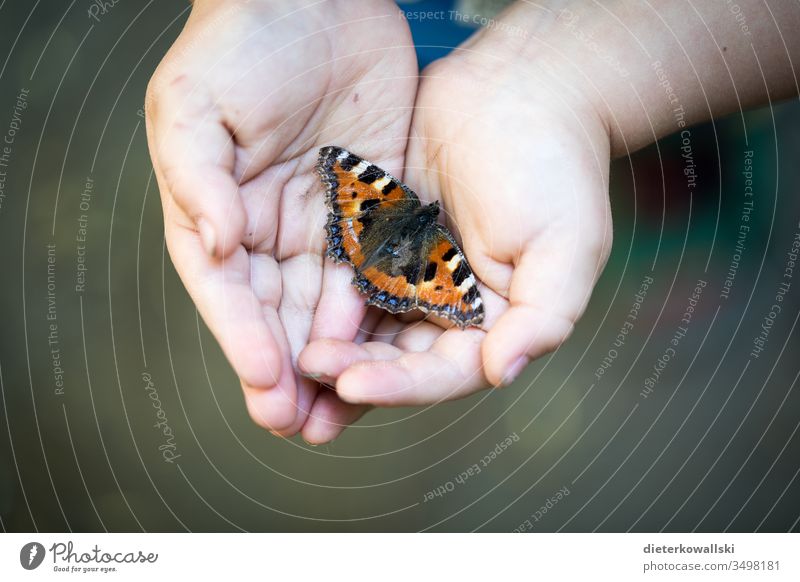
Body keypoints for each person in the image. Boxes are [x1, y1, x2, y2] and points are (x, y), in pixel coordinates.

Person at [145, 0, 799, 444]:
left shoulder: (379, 191)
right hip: (396, 36)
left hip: (672, 39)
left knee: (679, 161)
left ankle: (686, 215)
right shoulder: (432, 234)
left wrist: (575, 83)